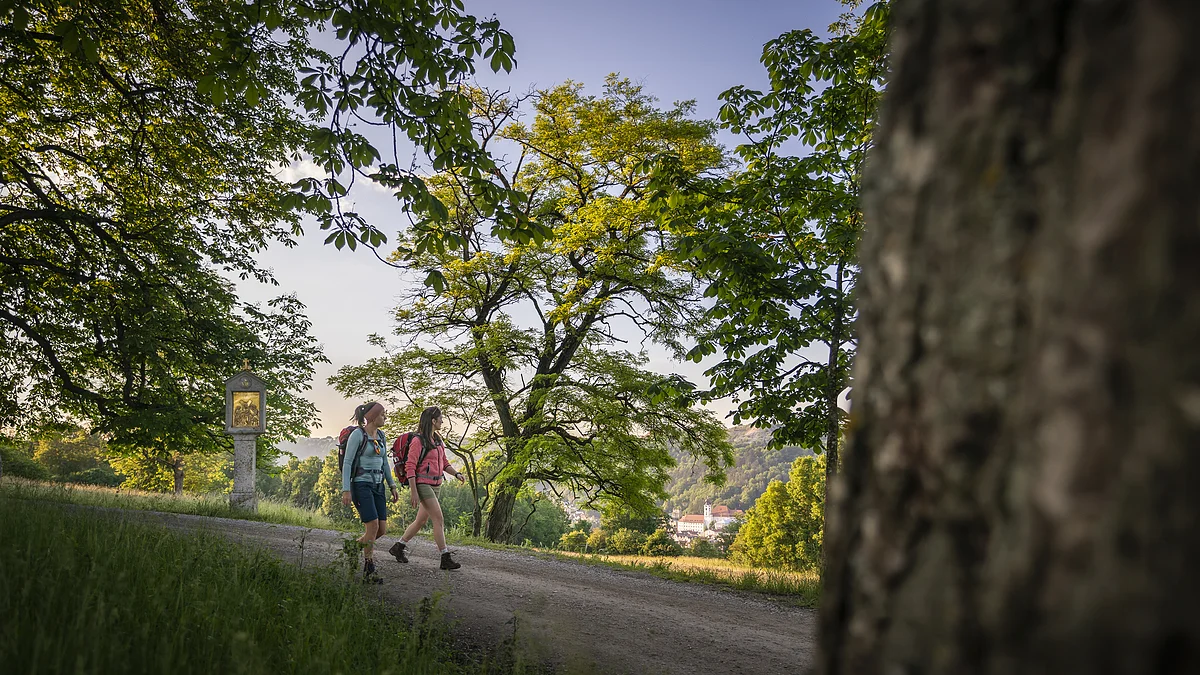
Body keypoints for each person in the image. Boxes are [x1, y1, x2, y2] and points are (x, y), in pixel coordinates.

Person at [388, 406, 466, 570]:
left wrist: (456, 473)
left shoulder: (437, 440)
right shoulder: (418, 441)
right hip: (423, 484)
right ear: (433, 421)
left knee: (421, 521)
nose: (442, 421)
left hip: (436, 484)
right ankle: (445, 557)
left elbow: (444, 463)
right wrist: (414, 491)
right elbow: (410, 466)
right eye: (440, 419)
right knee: (438, 518)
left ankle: (398, 547)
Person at [341, 401, 399, 583]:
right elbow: (348, 463)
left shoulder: (381, 436)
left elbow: (384, 464)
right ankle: (369, 568)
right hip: (361, 484)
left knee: (381, 529)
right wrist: (346, 490)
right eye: (383, 414)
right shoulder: (358, 435)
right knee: (372, 526)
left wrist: (392, 485)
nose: (385, 417)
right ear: (373, 417)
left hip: (378, 485)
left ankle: (354, 547)